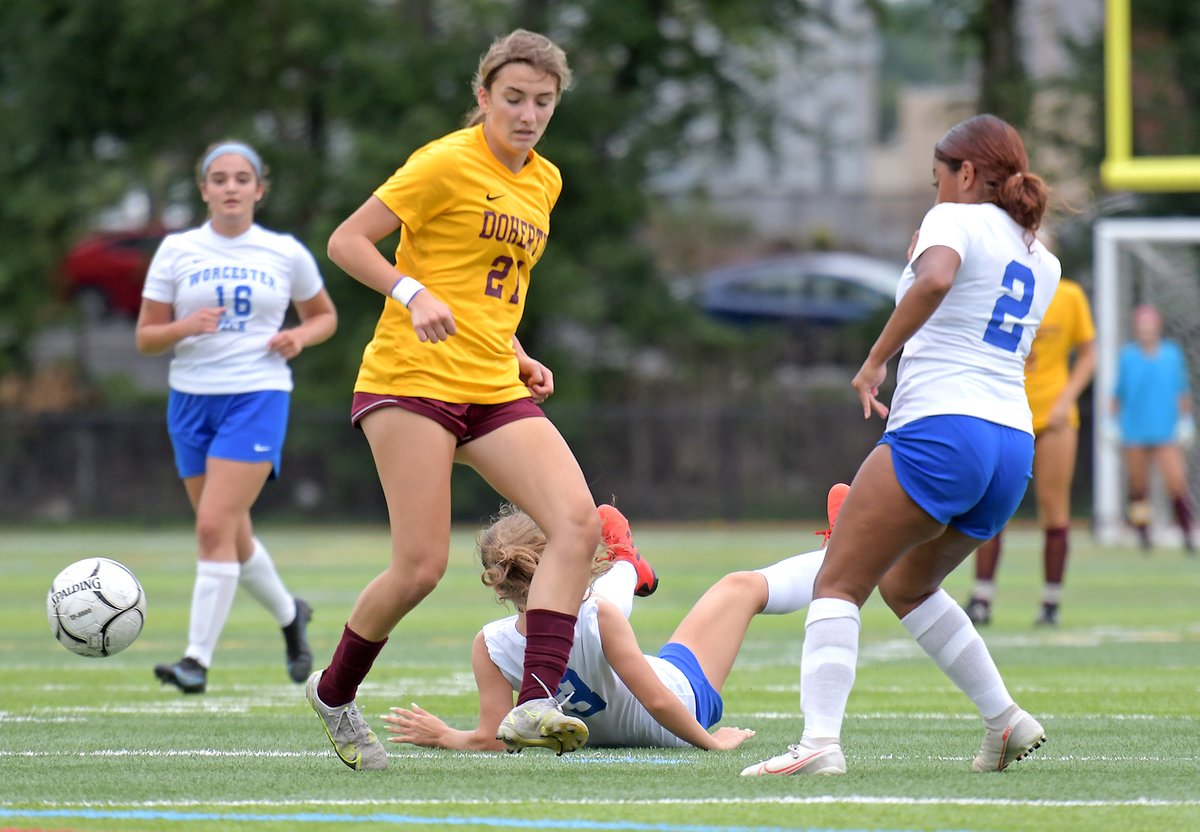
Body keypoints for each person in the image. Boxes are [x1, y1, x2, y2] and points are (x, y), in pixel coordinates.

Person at [305, 30, 606, 771]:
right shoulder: (443, 162)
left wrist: (519, 353)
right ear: (483, 97)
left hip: (490, 383)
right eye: (513, 98)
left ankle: (535, 703)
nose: (529, 114)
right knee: (420, 567)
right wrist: (410, 292)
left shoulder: (546, 180)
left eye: (543, 101)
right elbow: (348, 242)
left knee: (576, 524)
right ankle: (334, 693)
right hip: (411, 380)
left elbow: (487, 293)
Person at [742, 114, 1060, 778]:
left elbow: (939, 281)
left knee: (838, 581)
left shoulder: (952, 218)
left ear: (966, 174)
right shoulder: (1042, 255)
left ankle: (819, 743)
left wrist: (875, 360)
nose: (935, 188)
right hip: (1011, 446)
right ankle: (1004, 720)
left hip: (944, 428)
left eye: (938, 175)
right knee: (908, 585)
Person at [381, 495, 843, 752]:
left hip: (642, 710)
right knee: (740, 588)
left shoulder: (489, 643)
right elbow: (659, 699)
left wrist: (443, 735)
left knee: (596, 606)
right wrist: (711, 741)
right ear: (565, 559)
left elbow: (495, 737)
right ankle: (842, 554)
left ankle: (627, 563)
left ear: (499, 585)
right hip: (685, 705)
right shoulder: (597, 613)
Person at [136, 140, 338, 694]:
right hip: (190, 400)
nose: (230, 187)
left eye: (241, 178)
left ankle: (195, 661)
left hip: (257, 395)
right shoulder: (178, 250)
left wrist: (299, 334)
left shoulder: (284, 251)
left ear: (258, 188)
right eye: (219, 178)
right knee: (233, 533)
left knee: (212, 527)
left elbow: (324, 317)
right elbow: (147, 337)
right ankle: (291, 616)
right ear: (204, 189)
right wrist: (184, 326)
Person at [964, 277, 1096, 627]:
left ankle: (1051, 602)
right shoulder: (1002, 288)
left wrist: (1066, 399)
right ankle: (981, 597)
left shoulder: (1070, 294)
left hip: (1054, 418)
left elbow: (1089, 353)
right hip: (1006, 411)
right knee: (991, 504)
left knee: (1054, 510)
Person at [1111, 304, 1196, 553]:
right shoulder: (1127, 356)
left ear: (1157, 328)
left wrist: (1185, 420)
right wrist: (1111, 422)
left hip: (1165, 429)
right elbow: (1118, 393)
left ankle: (1187, 533)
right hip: (1134, 429)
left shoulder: (1171, 354)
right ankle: (1143, 534)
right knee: (1139, 486)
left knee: (1176, 482)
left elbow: (1182, 391)